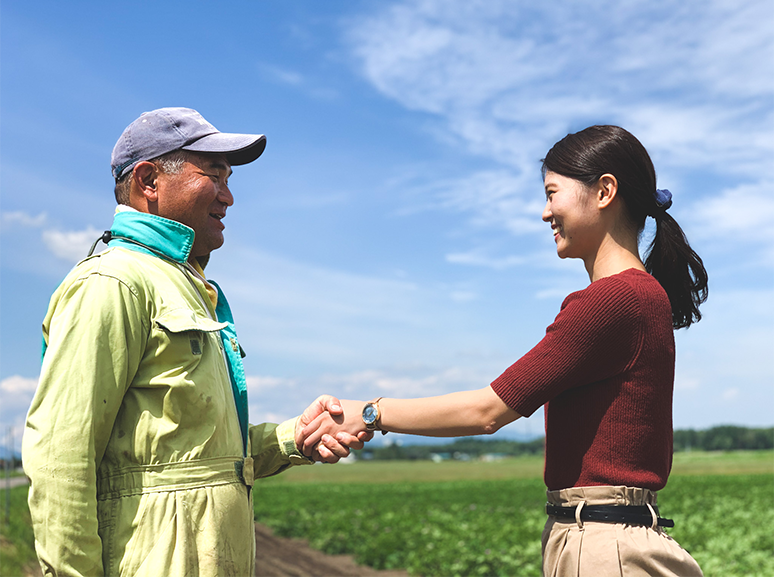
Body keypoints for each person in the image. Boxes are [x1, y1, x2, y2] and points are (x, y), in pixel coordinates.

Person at [303, 125, 708, 576]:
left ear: (604, 191)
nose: (545, 212)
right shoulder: (642, 295)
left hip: (602, 544)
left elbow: (488, 410)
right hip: (613, 533)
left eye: (553, 193)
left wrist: (370, 413)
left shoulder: (612, 300)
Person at [22, 107, 369, 577]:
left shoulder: (185, 285)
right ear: (148, 180)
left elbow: (197, 457)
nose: (228, 197)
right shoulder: (114, 282)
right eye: (215, 175)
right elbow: (60, 456)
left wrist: (293, 437)